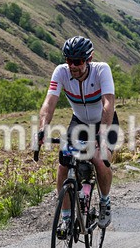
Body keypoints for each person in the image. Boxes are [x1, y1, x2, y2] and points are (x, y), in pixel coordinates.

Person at [37, 36, 118, 231]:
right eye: (69, 60)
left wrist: (103, 134)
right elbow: (49, 103)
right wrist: (42, 128)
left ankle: (105, 203)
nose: (73, 66)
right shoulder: (61, 72)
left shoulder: (102, 70)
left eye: (78, 61)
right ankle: (66, 219)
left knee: (99, 159)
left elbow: (108, 103)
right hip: (79, 122)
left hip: (104, 121)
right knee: (64, 163)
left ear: (88, 59)